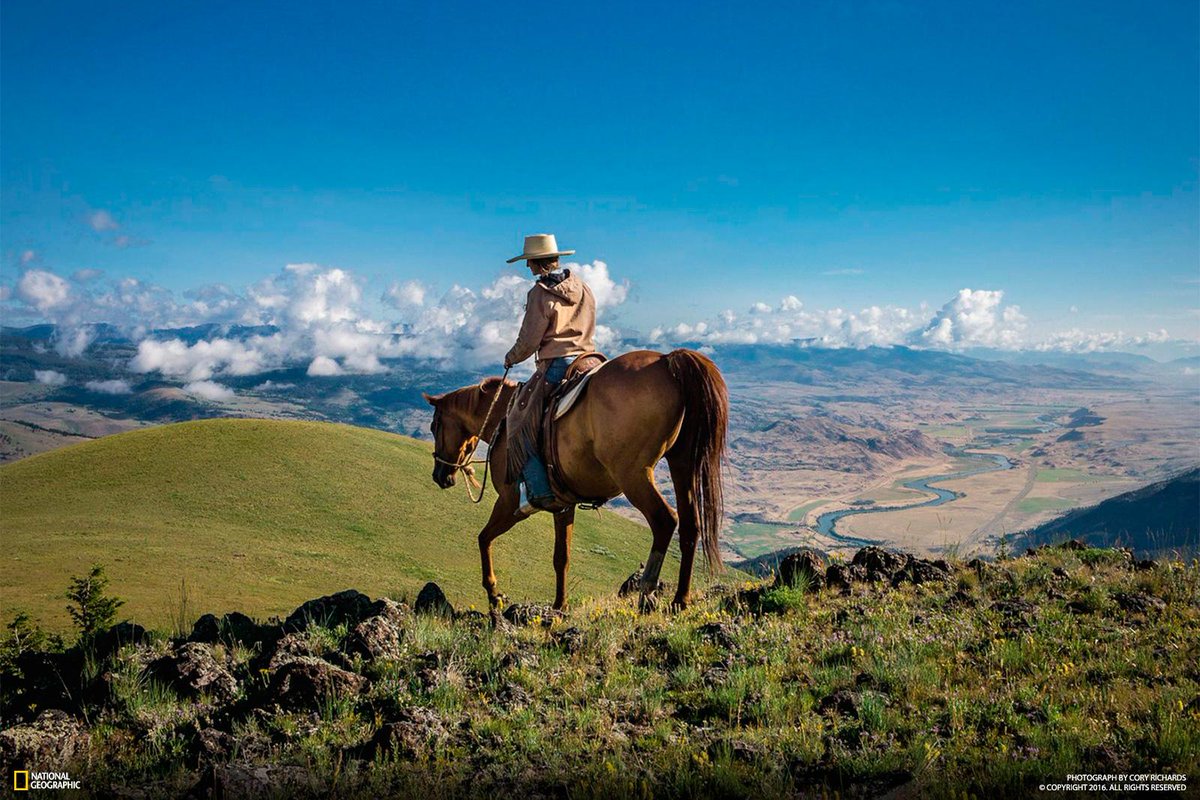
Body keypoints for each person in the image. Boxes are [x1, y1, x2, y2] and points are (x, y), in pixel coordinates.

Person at [503, 233, 597, 514]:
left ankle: (538, 493)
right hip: (589, 359)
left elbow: (530, 339)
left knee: (518, 421)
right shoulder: (583, 287)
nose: (528, 268)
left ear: (537, 262)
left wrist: (511, 357)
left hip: (557, 364)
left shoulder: (540, 293)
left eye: (529, 263)